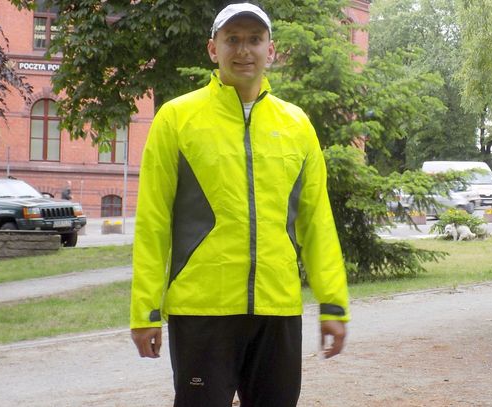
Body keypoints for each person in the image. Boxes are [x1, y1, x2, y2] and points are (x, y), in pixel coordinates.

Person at [130, 3, 350, 406]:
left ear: (271, 50)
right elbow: (152, 221)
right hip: (201, 310)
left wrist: (333, 304)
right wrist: (145, 310)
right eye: (232, 39)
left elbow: (317, 221)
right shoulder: (176, 119)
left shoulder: (297, 124)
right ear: (213, 49)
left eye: (254, 39)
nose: (244, 50)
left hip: (277, 310)